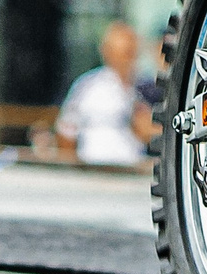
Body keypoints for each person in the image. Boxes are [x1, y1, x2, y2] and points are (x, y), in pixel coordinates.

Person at [56, 21, 153, 166]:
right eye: (124, 53)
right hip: (92, 172)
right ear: (107, 52)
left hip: (134, 174)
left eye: (131, 52)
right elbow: (66, 133)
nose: (128, 60)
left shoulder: (150, 88)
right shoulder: (87, 86)